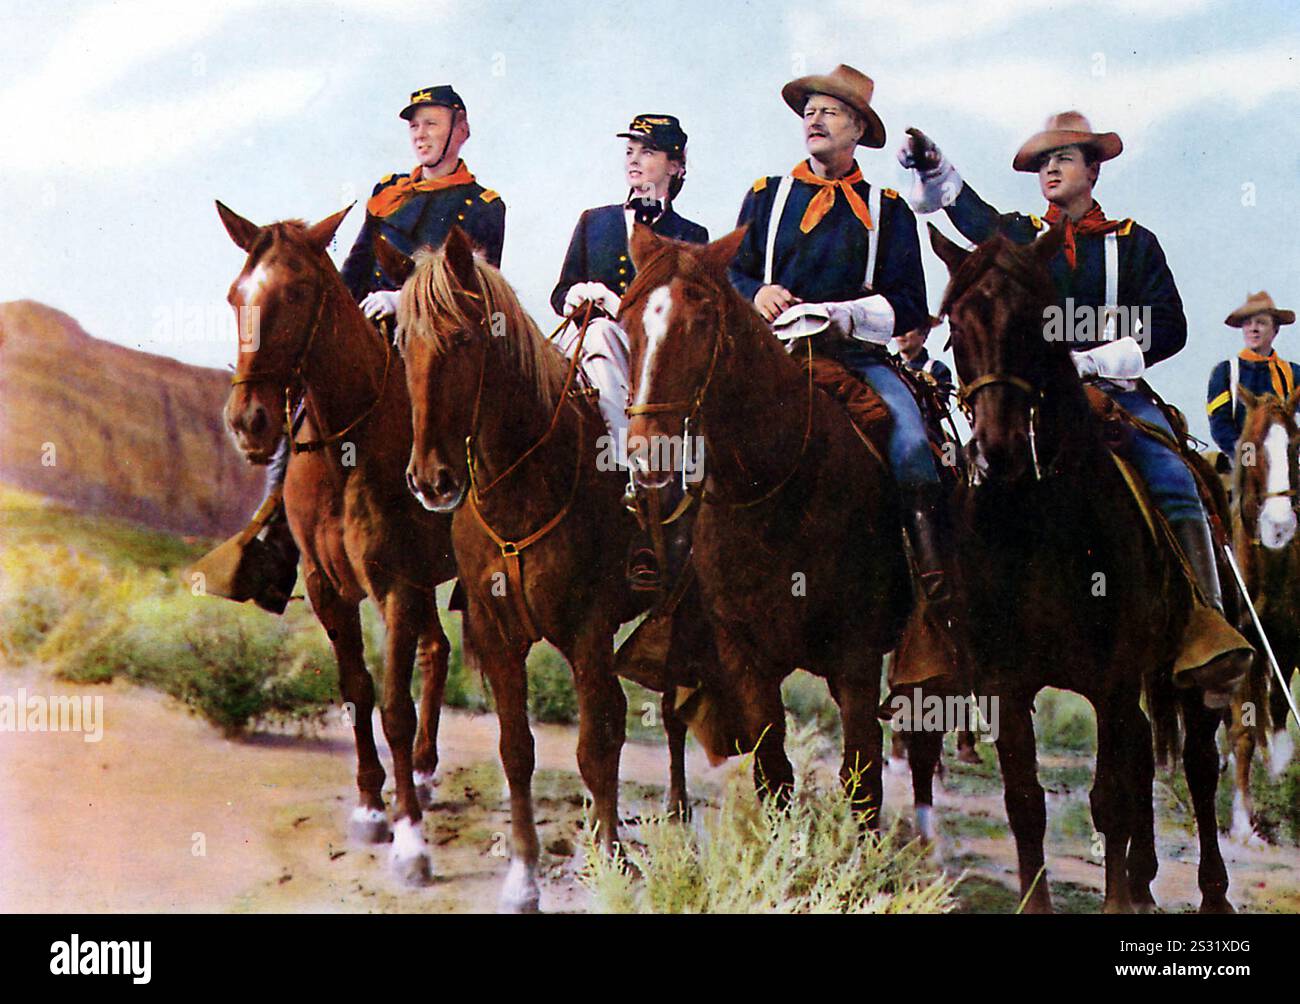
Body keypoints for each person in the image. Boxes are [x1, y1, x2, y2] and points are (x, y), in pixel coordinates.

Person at [900, 111, 1252, 702]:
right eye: (1042, 163)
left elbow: (1169, 325)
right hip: (1030, 405)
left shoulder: (1134, 243)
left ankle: (1203, 622)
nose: (1051, 170)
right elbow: (972, 216)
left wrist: (1095, 360)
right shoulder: (1019, 238)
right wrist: (937, 168)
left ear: (1093, 169)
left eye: (1064, 158)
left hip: (1117, 396)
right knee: (963, 483)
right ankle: (949, 627)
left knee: (1175, 478)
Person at [199, 84, 505, 614]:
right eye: (414, 125)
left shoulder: (482, 205)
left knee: (462, 406)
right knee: (301, 402)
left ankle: (483, 536)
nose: (420, 135)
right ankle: (275, 534)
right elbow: (355, 269)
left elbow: (473, 281)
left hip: (434, 333)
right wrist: (339, 315)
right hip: (368, 326)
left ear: (461, 128)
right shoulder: (388, 192)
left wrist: (404, 298)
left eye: (431, 124)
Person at [726, 63, 966, 679]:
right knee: (699, 436)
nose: (813, 117)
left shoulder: (889, 209)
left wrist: (844, 316)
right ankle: (678, 598)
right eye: (809, 109)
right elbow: (730, 269)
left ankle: (932, 600)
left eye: (829, 110)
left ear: (858, 128)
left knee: (914, 446)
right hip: (773, 358)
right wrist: (756, 294)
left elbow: (911, 301)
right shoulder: (767, 194)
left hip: (857, 359)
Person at [551, 114, 708, 473]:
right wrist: (574, 295)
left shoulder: (691, 235)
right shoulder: (594, 220)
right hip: (587, 347)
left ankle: (627, 465)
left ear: (676, 166)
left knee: (602, 332)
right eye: (629, 151)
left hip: (651, 354)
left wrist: (617, 306)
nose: (634, 160)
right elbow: (559, 293)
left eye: (648, 151)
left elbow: (685, 318)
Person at [1207, 291, 1297, 460]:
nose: (1253, 329)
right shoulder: (1226, 372)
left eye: (1261, 323)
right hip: (1243, 457)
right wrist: (1247, 455)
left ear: (1275, 330)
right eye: (1247, 323)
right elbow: (1220, 424)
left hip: (1287, 457)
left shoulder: (1293, 373)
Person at [894, 318, 953, 397]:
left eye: (907, 327)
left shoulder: (937, 370)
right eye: (898, 327)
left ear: (924, 332)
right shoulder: (885, 365)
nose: (901, 333)